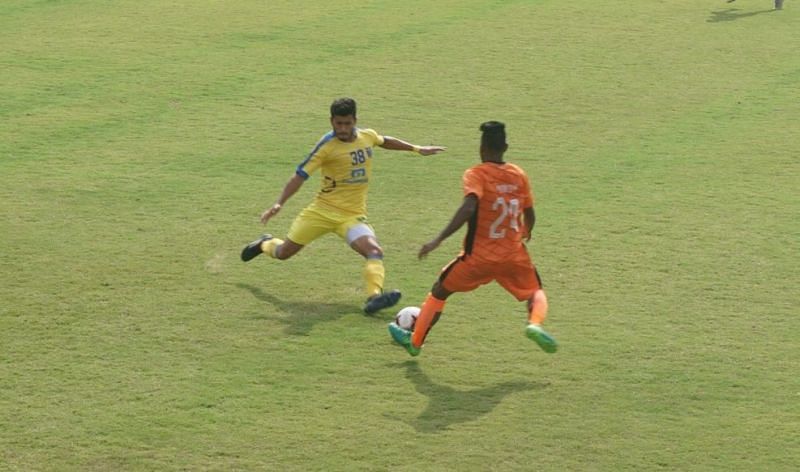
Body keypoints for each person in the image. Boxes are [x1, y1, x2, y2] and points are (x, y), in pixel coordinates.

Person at [241, 97, 446, 314]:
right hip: (320, 213)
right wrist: (279, 203)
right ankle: (265, 244)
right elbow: (299, 176)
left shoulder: (366, 136)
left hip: (352, 216)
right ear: (331, 121)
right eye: (338, 123)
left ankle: (373, 298)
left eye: (347, 123)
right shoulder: (326, 147)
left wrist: (416, 148)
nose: (343, 129)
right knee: (283, 253)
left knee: (374, 251)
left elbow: (384, 140)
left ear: (355, 120)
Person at [388, 121, 557, 356]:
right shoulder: (519, 175)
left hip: (478, 258)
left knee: (440, 291)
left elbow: (469, 207)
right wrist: (527, 230)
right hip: (513, 254)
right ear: (505, 146)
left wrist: (438, 239)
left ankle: (415, 343)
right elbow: (529, 212)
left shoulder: (476, 174)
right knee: (535, 291)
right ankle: (535, 324)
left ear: (481, 148)